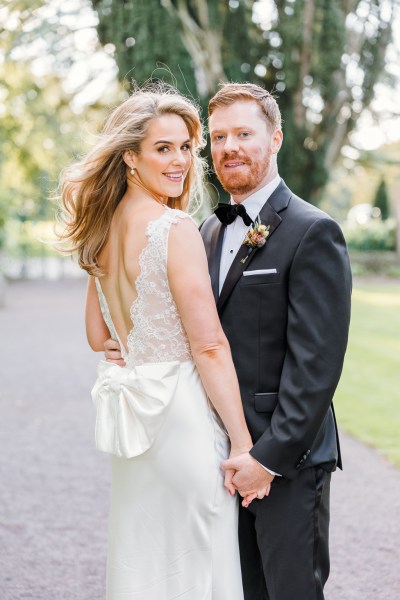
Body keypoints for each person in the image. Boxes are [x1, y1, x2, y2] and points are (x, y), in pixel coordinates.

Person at [105, 82, 352, 600]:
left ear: (276, 138)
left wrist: (265, 458)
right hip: (214, 455)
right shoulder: (204, 231)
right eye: (218, 137)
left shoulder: (313, 231)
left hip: (284, 460)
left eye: (244, 133)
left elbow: (317, 367)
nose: (229, 148)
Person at [58, 85, 268, 600]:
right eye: (162, 148)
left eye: (184, 148)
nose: (179, 162)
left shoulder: (100, 231)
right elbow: (210, 346)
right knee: (200, 563)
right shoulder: (174, 228)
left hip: (134, 416)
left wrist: (126, 345)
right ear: (130, 156)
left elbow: (97, 336)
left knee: (145, 560)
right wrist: (243, 443)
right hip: (180, 417)